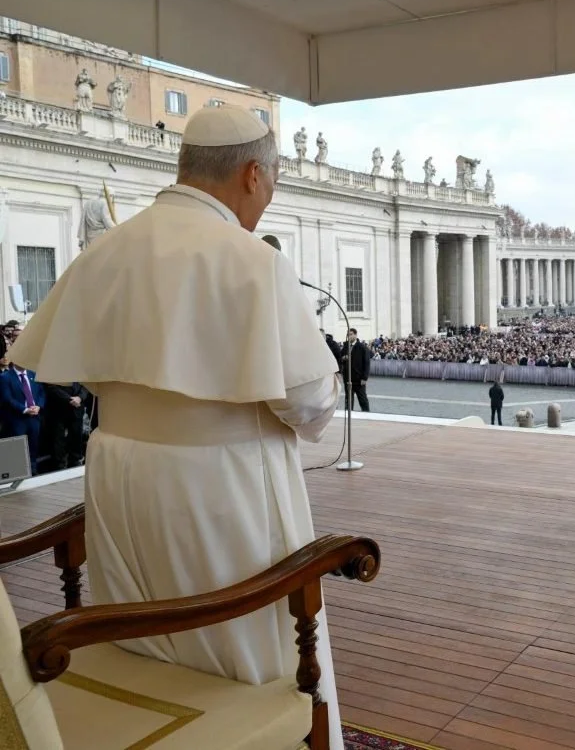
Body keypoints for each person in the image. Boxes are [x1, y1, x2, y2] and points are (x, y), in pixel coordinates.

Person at [9, 105, 345, 748]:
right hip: (223, 492)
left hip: (119, 484)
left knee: (142, 644)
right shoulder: (255, 261)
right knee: (248, 659)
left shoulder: (105, 250)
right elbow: (309, 407)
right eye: (272, 185)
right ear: (253, 174)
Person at [0, 359, 45, 469]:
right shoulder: (5, 377)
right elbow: (7, 398)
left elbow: (41, 393)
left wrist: (39, 406)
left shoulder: (33, 375)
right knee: (18, 448)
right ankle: (19, 471)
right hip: (17, 419)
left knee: (33, 445)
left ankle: (33, 469)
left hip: (34, 417)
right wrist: (24, 409)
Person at [341, 328, 371, 412]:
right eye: (348, 335)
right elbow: (340, 357)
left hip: (359, 379)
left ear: (355, 335)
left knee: (362, 399)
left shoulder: (362, 347)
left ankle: (367, 414)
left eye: (350, 334)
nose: (349, 336)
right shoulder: (345, 346)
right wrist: (343, 358)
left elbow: (367, 363)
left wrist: (364, 378)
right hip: (348, 378)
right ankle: (349, 414)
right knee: (348, 399)